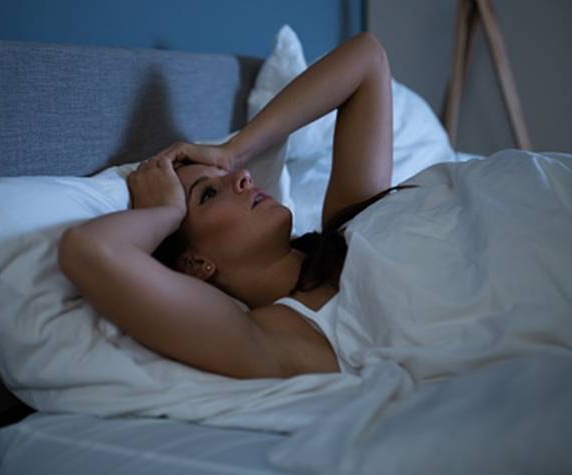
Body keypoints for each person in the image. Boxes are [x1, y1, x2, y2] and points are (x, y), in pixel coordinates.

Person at [58, 32, 401, 379]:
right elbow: (89, 249)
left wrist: (233, 151)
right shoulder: (272, 335)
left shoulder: (349, 228)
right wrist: (164, 213)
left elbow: (368, 57)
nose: (244, 177)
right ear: (196, 263)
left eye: (229, 173)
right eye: (207, 194)